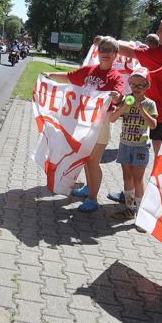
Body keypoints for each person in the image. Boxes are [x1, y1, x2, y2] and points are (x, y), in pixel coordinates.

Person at [107, 16, 162, 204]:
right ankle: (141, 195)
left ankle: (147, 198)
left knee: (153, 157)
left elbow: (131, 52)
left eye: (160, 29)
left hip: (155, 112)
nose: (157, 32)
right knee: (159, 157)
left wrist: (107, 43)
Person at [42, 36, 124, 212]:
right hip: (82, 124)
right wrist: (50, 75)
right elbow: (69, 77)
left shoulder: (116, 77)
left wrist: (117, 97)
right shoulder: (88, 70)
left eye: (110, 50)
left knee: (93, 162)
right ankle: (88, 188)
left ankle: (93, 199)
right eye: (103, 50)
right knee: (85, 160)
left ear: (116, 54)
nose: (106, 53)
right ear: (98, 52)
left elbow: (119, 95)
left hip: (100, 126)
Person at [108, 68, 158, 221]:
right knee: (127, 177)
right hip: (124, 145)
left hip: (140, 147)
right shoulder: (126, 101)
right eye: (133, 85)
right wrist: (123, 106)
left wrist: (141, 109)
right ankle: (130, 209)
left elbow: (153, 125)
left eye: (140, 86)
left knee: (138, 180)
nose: (135, 88)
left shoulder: (150, 104)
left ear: (147, 86)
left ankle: (140, 212)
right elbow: (112, 119)